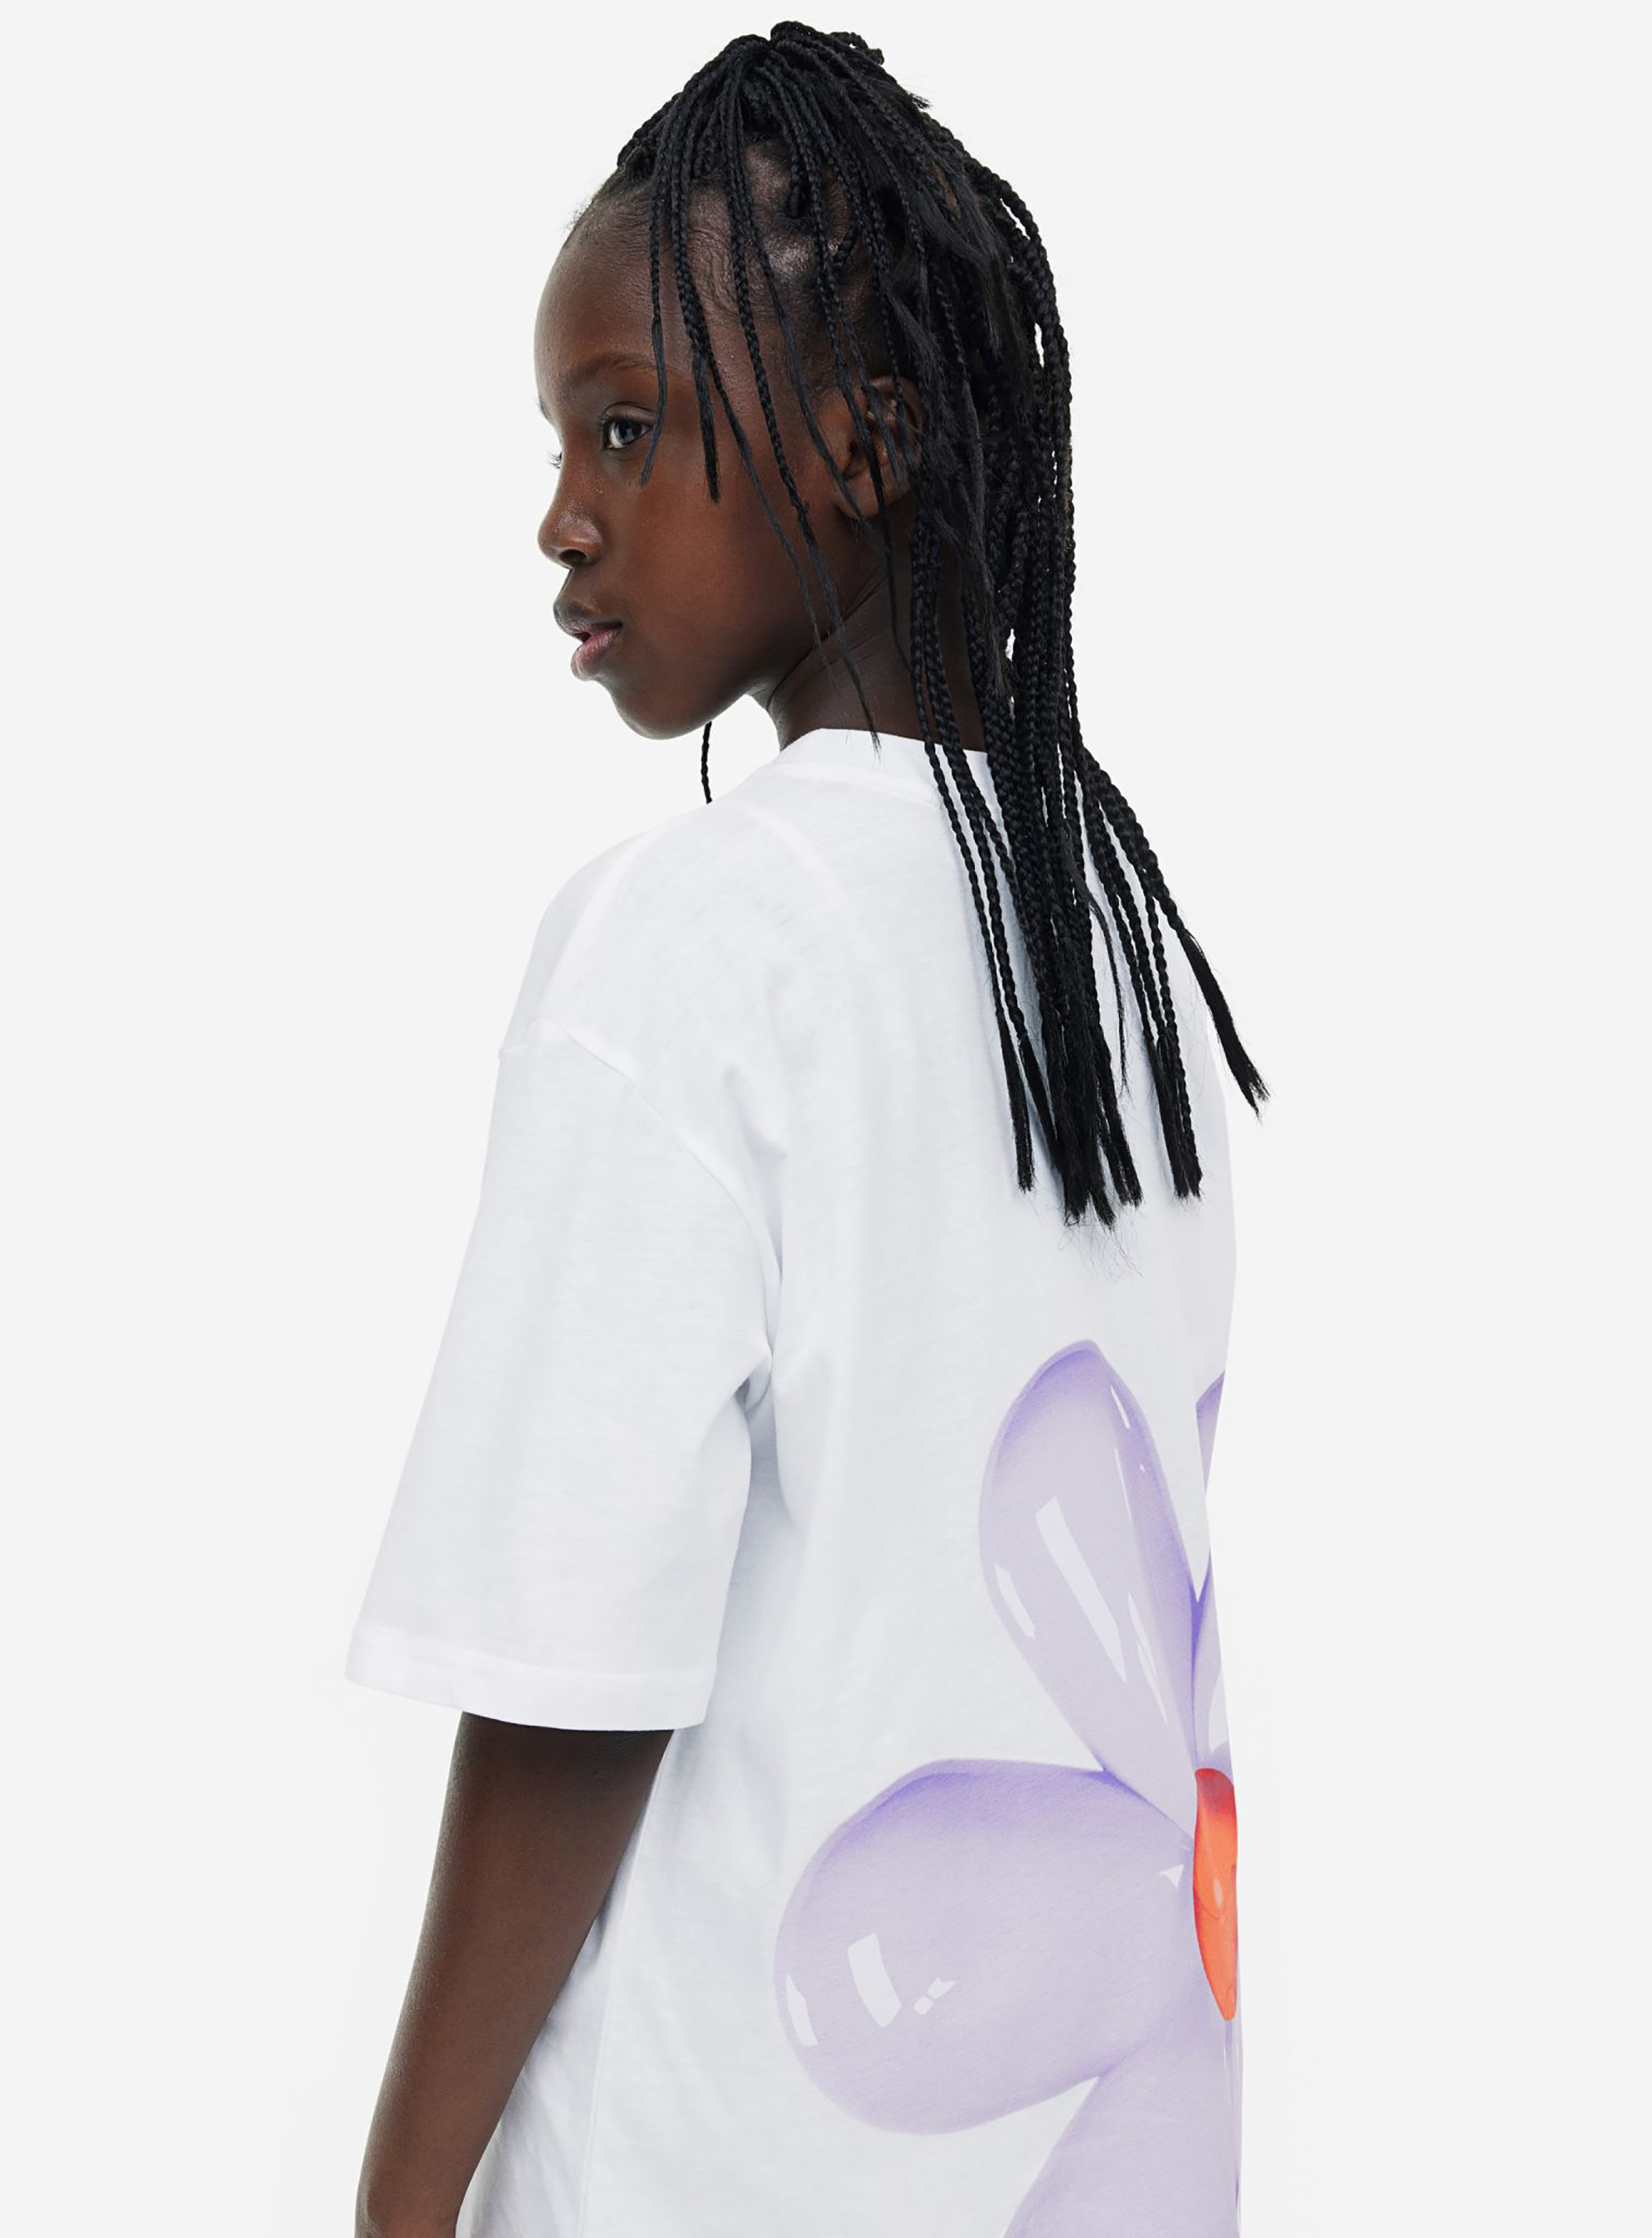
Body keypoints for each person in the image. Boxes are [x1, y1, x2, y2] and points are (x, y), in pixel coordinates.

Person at [343, 22, 1269, 2236]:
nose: (563, 513)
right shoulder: (1116, 950)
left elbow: (574, 1683)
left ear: (862, 441)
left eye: (626, 427)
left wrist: (394, 2201)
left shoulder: (701, 942)